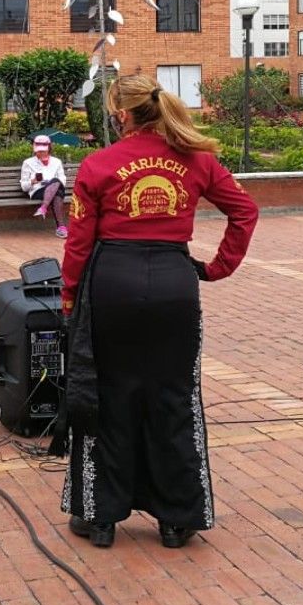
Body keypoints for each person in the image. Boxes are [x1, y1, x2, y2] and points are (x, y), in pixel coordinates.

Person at [57, 74, 258, 550]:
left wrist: (70, 302)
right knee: (174, 396)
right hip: (174, 283)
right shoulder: (198, 160)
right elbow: (244, 211)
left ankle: (100, 517)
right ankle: (176, 519)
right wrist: (215, 268)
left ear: (122, 115)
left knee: (107, 395)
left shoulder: (99, 164)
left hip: (112, 285)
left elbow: (79, 245)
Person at [21, 135, 69, 238]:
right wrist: (33, 181)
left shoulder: (57, 162)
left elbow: (62, 180)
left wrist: (53, 183)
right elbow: (24, 187)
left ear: (49, 148)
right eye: (38, 151)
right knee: (57, 192)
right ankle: (61, 227)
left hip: (56, 189)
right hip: (38, 190)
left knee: (56, 183)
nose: (41, 153)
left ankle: (43, 207)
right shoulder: (28, 163)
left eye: (43, 150)